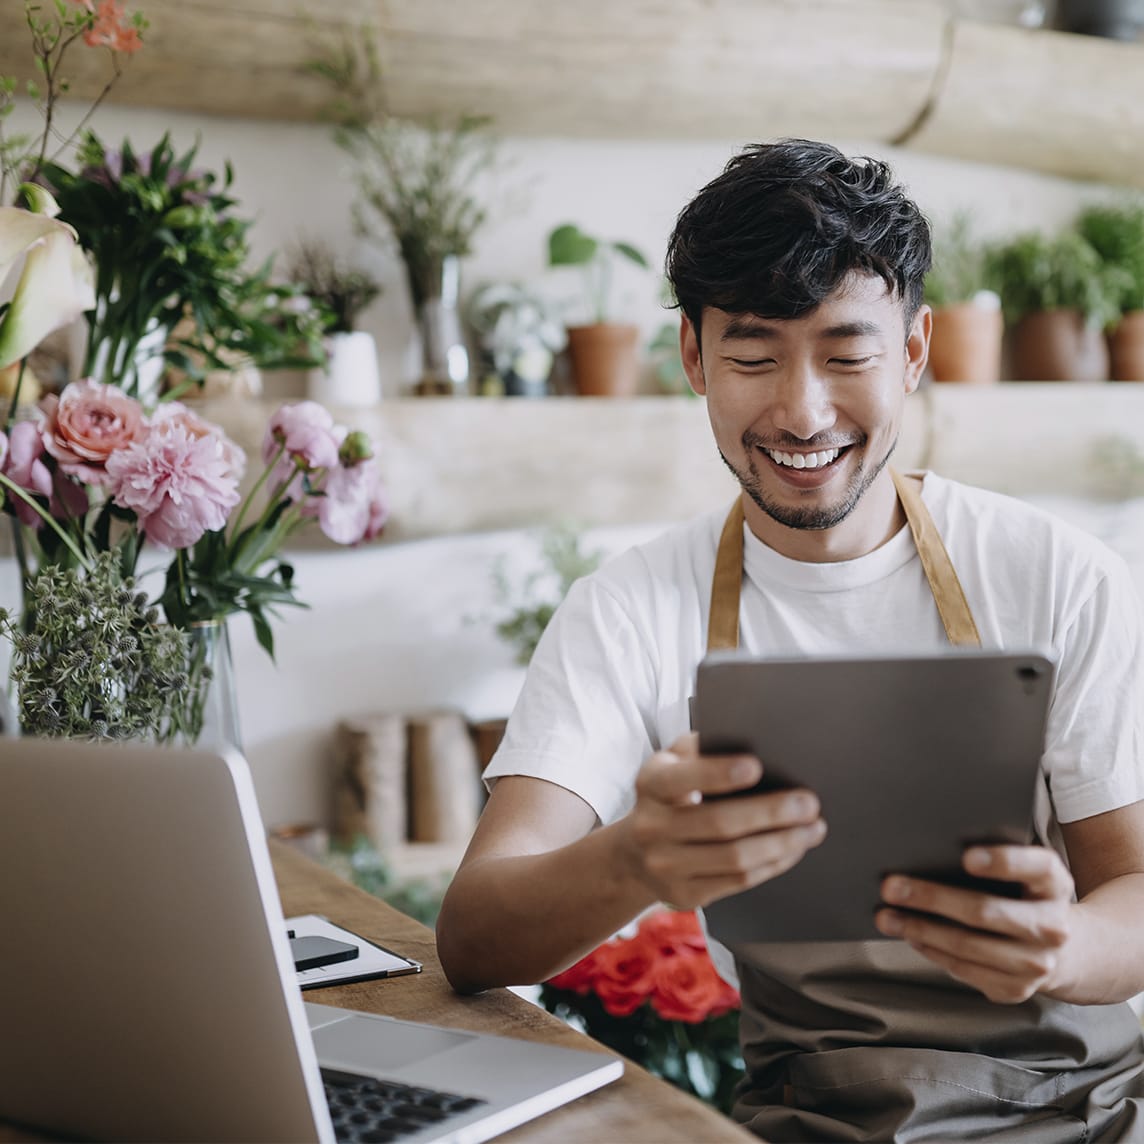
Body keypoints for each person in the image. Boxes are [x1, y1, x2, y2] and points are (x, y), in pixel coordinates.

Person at [435, 139, 1144, 1141]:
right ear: (692, 356)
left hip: (1077, 1116)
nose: (800, 410)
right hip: (805, 1120)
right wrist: (637, 857)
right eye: (754, 356)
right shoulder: (630, 607)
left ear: (912, 351)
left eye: (847, 354)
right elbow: (472, 934)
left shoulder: (1056, 574)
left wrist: (1061, 944)